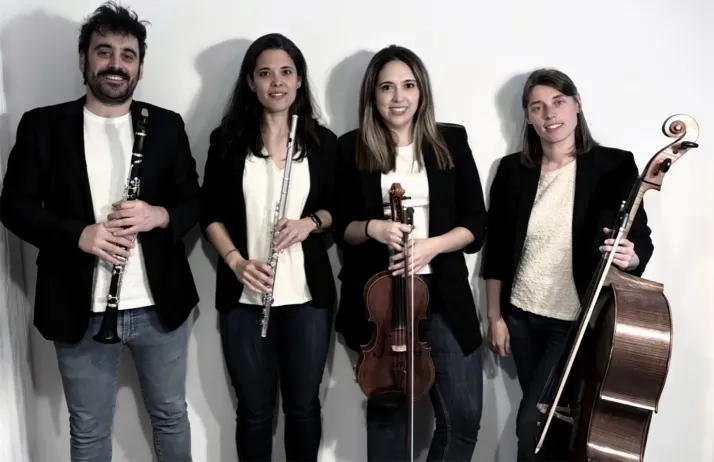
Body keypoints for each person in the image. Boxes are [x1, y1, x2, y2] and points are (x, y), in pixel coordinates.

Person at [0, 2, 200, 461]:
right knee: (88, 430)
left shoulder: (165, 125)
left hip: (158, 306)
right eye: (104, 51)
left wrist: (158, 215)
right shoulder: (43, 126)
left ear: (140, 67)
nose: (116, 64)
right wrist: (79, 235)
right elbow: (13, 207)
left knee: (171, 415)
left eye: (128, 55)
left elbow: (194, 201)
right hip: (79, 307)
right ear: (83, 60)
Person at [482, 67, 654, 461]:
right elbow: (497, 253)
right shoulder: (512, 171)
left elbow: (640, 236)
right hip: (521, 318)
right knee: (553, 427)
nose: (550, 114)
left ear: (577, 104)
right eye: (537, 107)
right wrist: (495, 317)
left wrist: (632, 256)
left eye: (558, 102)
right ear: (528, 117)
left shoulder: (614, 166)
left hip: (573, 321)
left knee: (531, 426)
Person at [332, 44, 488, 462]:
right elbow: (342, 229)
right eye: (387, 87)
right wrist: (373, 228)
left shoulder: (451, 141)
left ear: (422, 92)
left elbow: (476, 223)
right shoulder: (351, 147)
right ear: (373, 94)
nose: (398, 97)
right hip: (380, 304)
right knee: (389, 418)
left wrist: (432, 246)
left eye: (408, 85)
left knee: (463, 420)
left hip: (443, 296)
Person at [200, 33, 337, 462]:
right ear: (250, 82)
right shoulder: (227, 141)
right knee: (255, 413)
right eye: (265, 73)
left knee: (303, 407)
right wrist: (235, 262)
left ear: (299, 81)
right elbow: (209, 214)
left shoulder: (323, 142)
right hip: (245, 298)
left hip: (307, 298)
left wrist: (310, 223)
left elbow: (340, 208)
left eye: (286, 72)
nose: (276, 82)